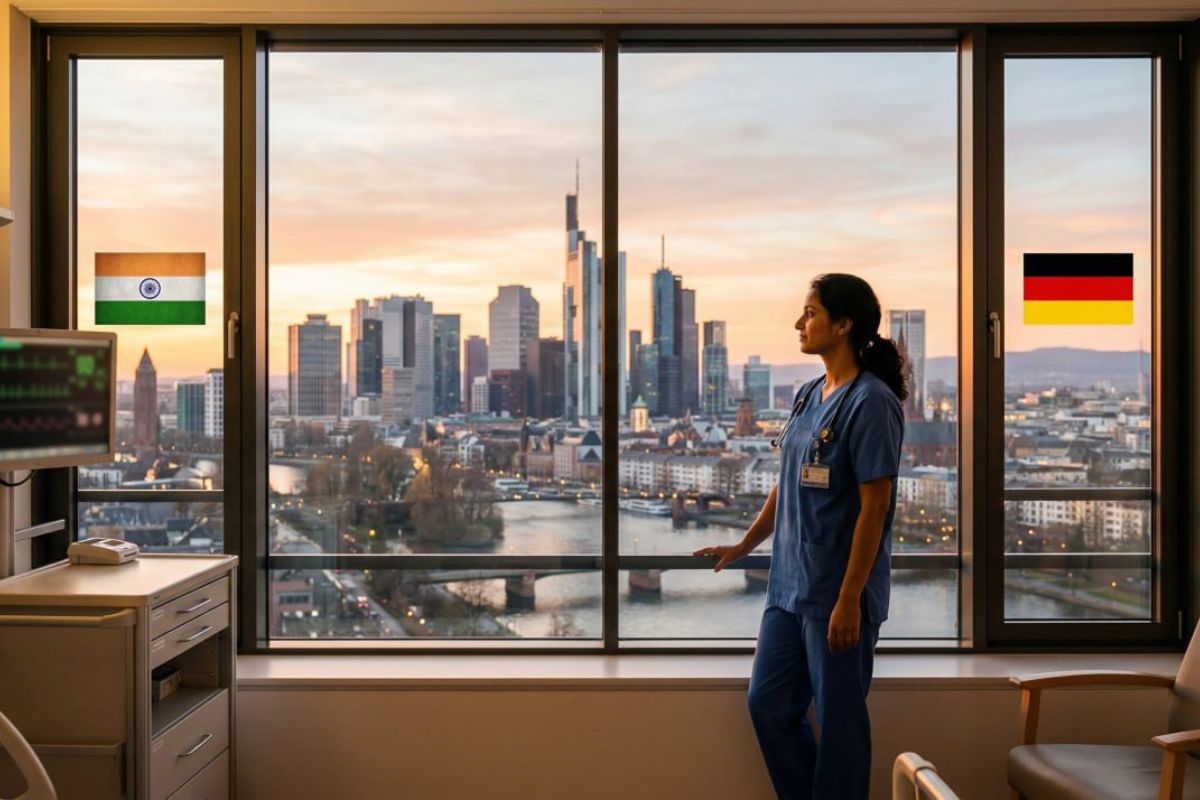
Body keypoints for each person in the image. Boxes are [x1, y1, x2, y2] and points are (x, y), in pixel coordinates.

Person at [694, 273, 906, 800]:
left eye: (810, 313)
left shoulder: (871, 402)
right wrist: (745, 545)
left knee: (840, 728)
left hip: (837, 593)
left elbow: (875, 507)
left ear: (843, 323)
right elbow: (789, 483)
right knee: (767, 705)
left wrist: (850, 598)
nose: (799, 323)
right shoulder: (810, 393)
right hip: (787, 587)